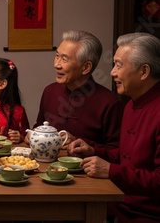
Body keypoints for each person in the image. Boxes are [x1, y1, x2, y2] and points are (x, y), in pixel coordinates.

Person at [68, 33, 160, 222]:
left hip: (147, 214)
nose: (112, 73)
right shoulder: (130, 104)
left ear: (144, 72)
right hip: (118, 202)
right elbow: (128, 158)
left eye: (119, 65)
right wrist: (92, 149)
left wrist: (110, 171)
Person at [32, 30, 122, 149]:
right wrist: (32, 135)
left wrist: (84, 144)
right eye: (57, 56)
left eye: (64, 59)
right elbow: (39, 127)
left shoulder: (109, 102)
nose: (57, 65)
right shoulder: (50, 91)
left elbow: (116, 151)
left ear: (86, 67)